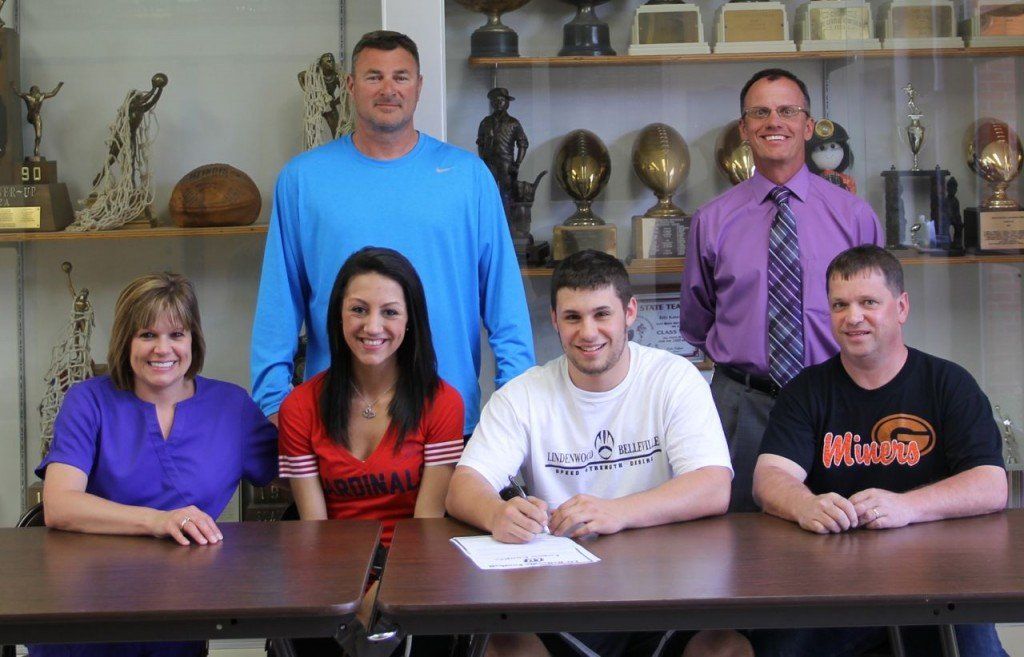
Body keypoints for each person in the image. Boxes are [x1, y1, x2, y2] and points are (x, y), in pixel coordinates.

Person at [447, 250, 748, 657]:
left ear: (629, 313)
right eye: (572, 317)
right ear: (554, 320)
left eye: (601, 314)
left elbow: (713, 486)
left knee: (725, 648)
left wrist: (617, 511)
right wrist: (496, 513)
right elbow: (464, 487)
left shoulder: (674, 377)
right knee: (504, 647)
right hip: (560, 595)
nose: (588, 332)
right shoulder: (523, 394)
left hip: (667, 587)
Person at [252, 30, 533, 437]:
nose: (388, 89)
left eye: (401, 77)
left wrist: (515, 398)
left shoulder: (469, 178)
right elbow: (278, 302)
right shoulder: (303, 180)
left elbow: (505, 303)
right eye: (373, 77)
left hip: (450, 421)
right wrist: (274, 402)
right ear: (350, 86)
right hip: (340, 423)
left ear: (419, 87)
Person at [751, 245, 1008, 657]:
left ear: (901, 307)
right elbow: (769, 478)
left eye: (868, 302)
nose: (853, 317)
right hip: (832, 587)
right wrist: (805, 505)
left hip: (940, 582)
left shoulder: (949, 384)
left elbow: (991, 485)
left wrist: (907, 507)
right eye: (840, 305)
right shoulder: (806, 391)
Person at [34, 272, 278, 657]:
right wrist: (160, 521)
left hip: (178, 617)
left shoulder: (231, 408)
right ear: (125, 341)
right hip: (84, 615)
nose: (162, 349)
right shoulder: (87, 401)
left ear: (193, 340)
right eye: (147, 335)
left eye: (176, 335)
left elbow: (298, 468)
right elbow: (60, 505)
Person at [679, 68, 883, 512]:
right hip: (743, 405)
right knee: (738, 540)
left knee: (848, 527)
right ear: (744, 128)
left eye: (787, 111)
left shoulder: (854, 217)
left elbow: (877, 314)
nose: (775, 121)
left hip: (839, 399)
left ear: (808, 126)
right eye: (761, 112)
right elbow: (697, 319)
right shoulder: (712, 221)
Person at [278, 247, 464, 657]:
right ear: (338, 316)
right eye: (358, 310)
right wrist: (349, 607)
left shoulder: (443, 402)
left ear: (410, 319)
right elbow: (316, 530)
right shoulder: (300, 406)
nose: (372, 326)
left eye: (390, 312)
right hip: (333, 573)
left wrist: (374, 601)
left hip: (416, 571)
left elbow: (427, 526)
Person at [476, 86, 528, 211]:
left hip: (506, 164)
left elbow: (523, 144)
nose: (498, 103)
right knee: (488, 195)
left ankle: (508, 226)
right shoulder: (485, 122)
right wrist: (482, 161)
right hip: (489, 164)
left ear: (507, 103)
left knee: (507, 196)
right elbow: (480, 143)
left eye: (502, 100)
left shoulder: (513, 123)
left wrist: (517, 163)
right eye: (495, 100)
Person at [12, 81, 64, 158]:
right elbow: (18, 93)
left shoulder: (41, 96)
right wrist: (13, 86)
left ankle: (36, 149)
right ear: (31, 92)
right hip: (30, 117)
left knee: (39, 135)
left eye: (37, 90)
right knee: (35, 115)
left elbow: (53, 93)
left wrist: (59, 86)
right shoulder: (27, 96)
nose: (36, 92)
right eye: (34, 90)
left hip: (36, 116)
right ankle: (36, 148)